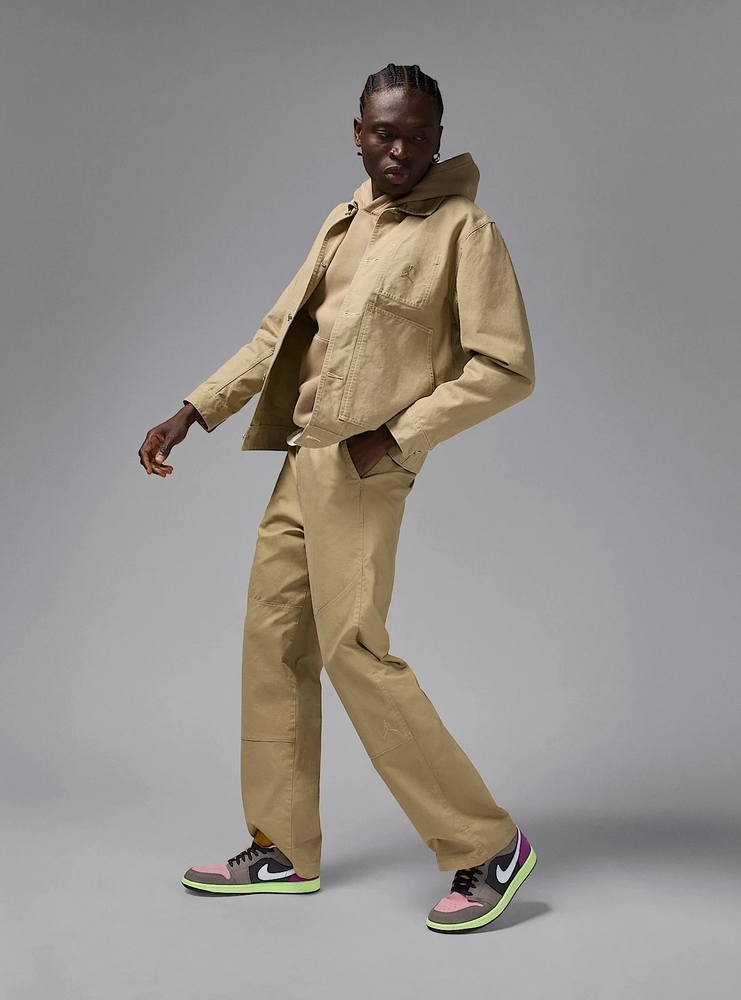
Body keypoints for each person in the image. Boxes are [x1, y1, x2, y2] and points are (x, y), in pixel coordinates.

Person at [138, 64, 536, 933]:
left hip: (364, 467)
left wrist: (395, 436)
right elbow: (276, 335)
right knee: (275, 645)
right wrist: (192, 411)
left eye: (419, 135)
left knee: (353, 650)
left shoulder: (464, 231)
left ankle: (488, 845)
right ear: (357, 133)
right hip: (304, 459)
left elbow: (506, 366)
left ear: (438, 139)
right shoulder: (344, 219)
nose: (401, 149)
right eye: (385, 132)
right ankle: (281, 845)